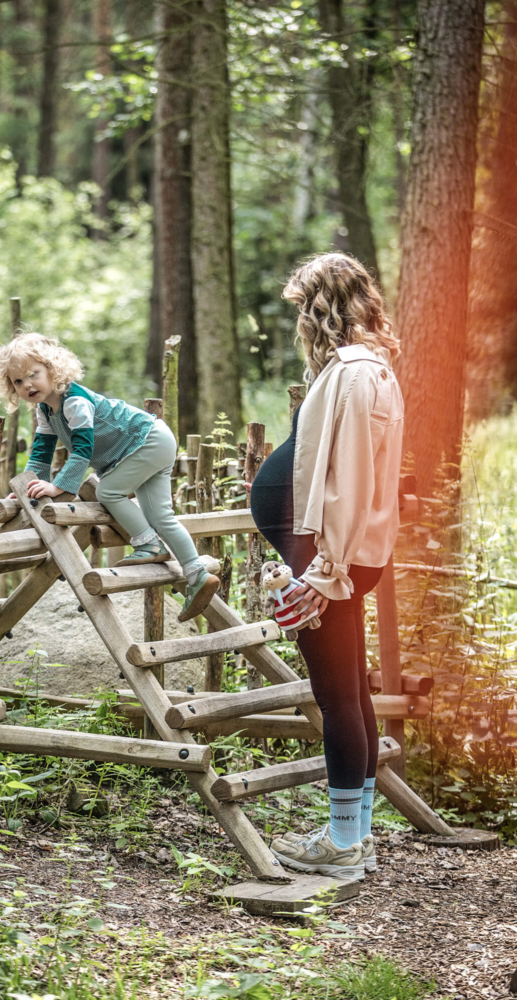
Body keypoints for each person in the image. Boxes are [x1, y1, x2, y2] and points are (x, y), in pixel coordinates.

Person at [248, 252, 404, 880]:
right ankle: (356, 835)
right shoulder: (371, 369)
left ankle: (341, 845)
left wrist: (322, 570)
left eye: (301, 311)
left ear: (319, 308)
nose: (300, 326)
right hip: (333, 554)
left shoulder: (353, 374)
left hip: (325, 555)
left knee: (336, 694)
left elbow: (352, 481)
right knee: (350, 693)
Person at [0, 332, 220, 622]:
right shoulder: (46, 411)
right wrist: (27, 489)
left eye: (33, 375)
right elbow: (41, 453)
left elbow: (83, 449)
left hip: (146, 441)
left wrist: (59, 487)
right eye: (18, 381)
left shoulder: (74, 402)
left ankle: (148, 543)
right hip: (150, 442)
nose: (27, 385)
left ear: (53, 369)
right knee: (161, 515)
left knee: (107, 491)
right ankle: (197, 574)